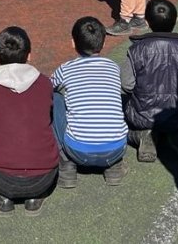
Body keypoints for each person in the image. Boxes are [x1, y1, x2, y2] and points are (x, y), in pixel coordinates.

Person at [0, 27, 59, 215]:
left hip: (2, 179)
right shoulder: (44, 83)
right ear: (29, 55)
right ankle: (35, 198)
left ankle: (2, 197)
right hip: (44, 177)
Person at [121, 0, 178, 163]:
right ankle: (177, 135)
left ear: (147, 21)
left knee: (122, 103)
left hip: (142, 116)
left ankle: (143, 135)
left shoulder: (136, 49)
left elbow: (126, 84)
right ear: (176, 20)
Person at [52, 17, 128, 187]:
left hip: (77, 151)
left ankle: (66, 165)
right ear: (103, 41)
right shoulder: (113, 67)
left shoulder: (66, 68)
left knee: (55, 98)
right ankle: (113, 167)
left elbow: (49, 87)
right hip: (116, 150)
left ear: (73, 43)